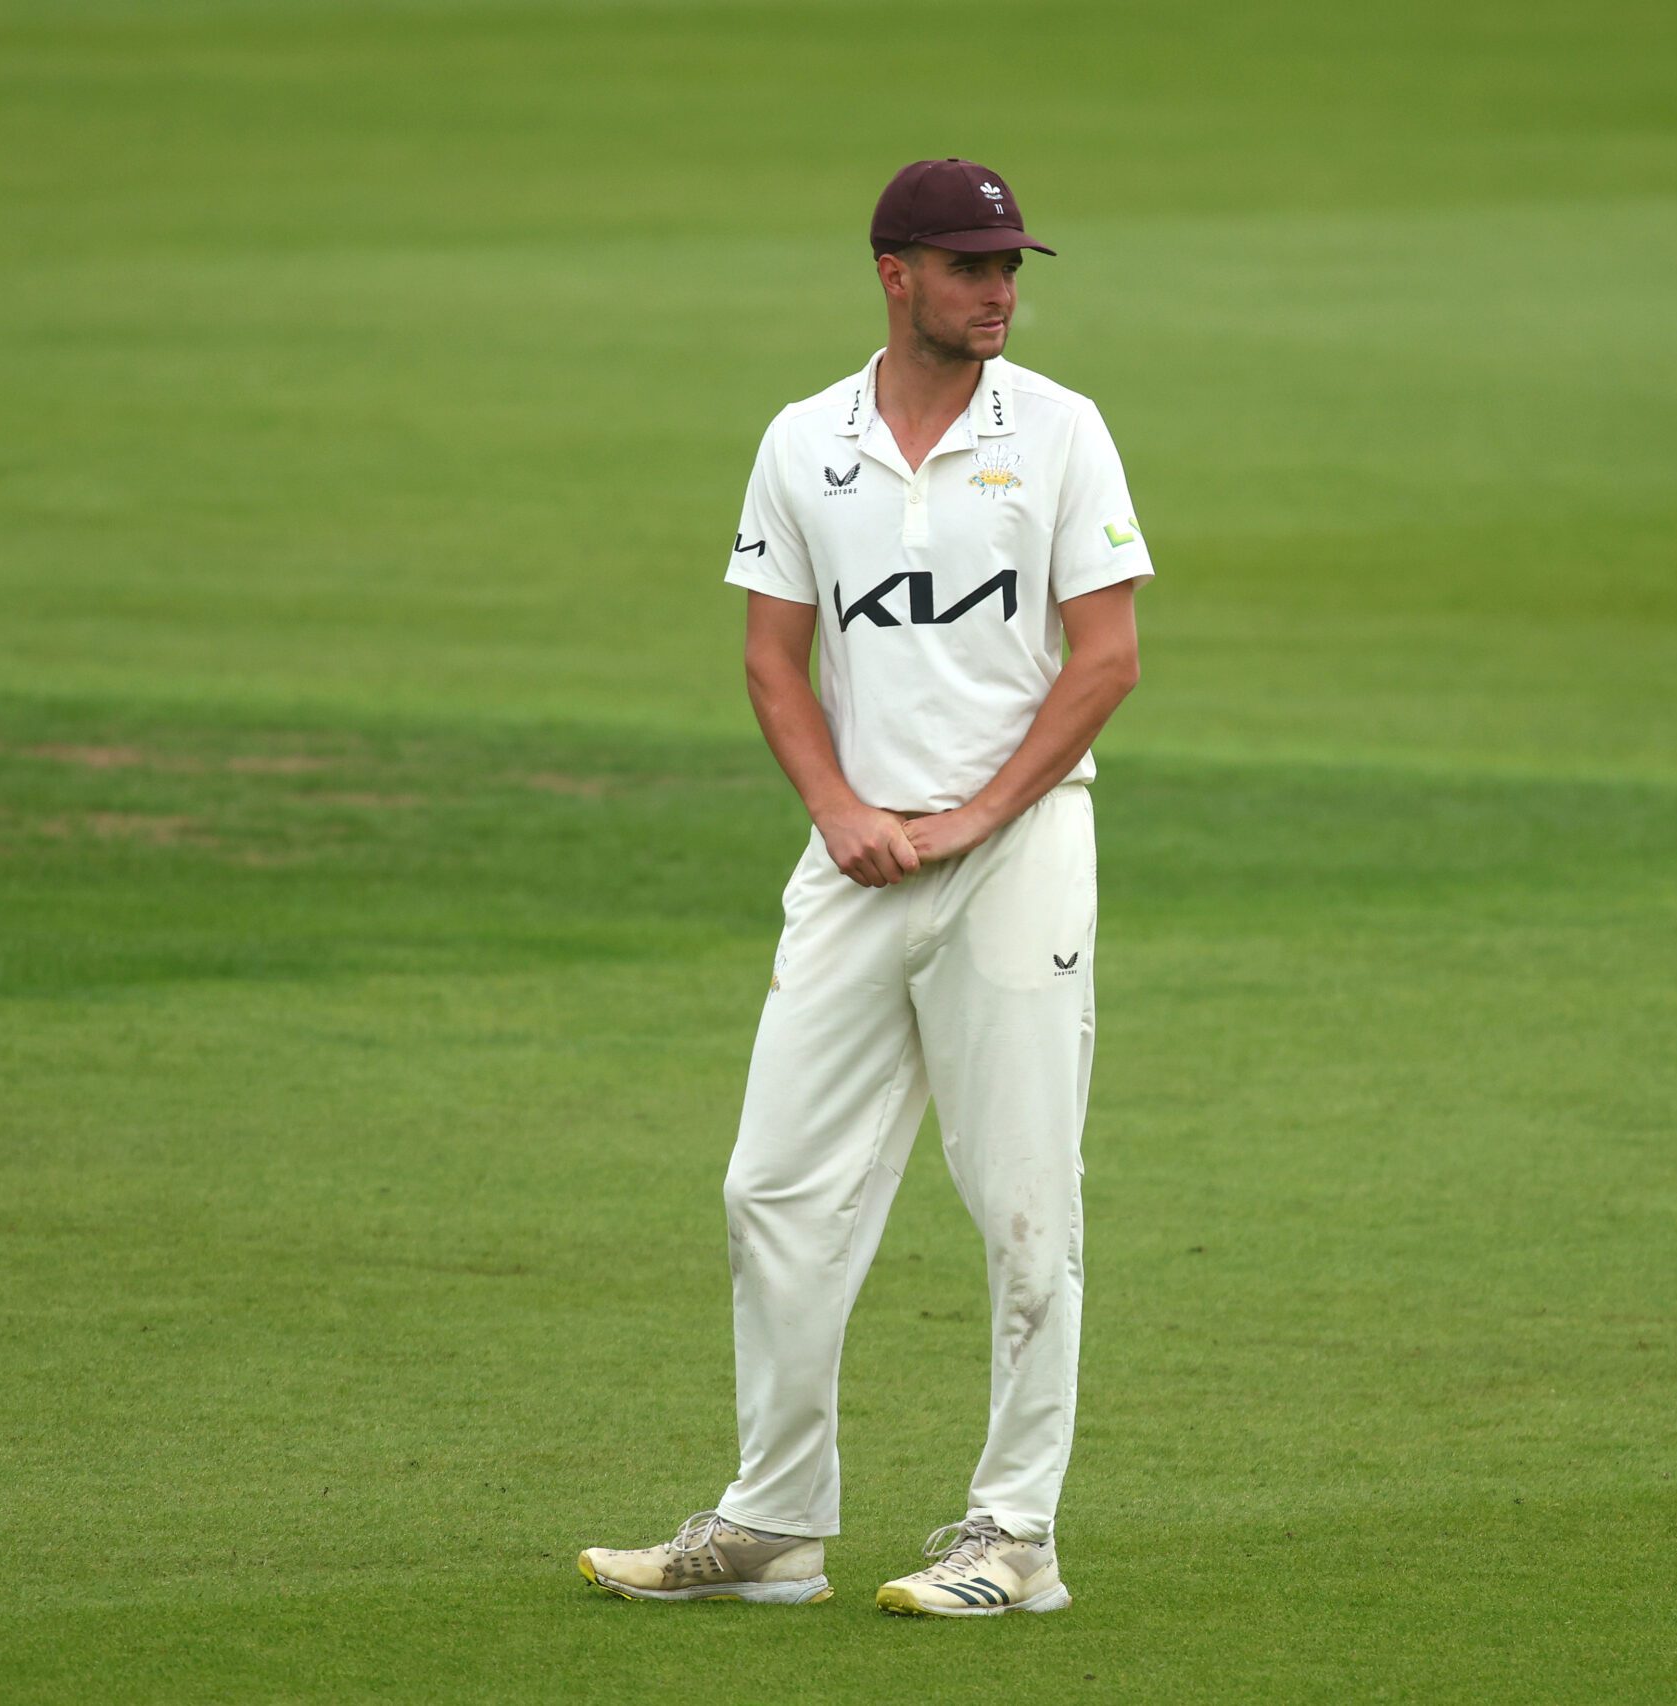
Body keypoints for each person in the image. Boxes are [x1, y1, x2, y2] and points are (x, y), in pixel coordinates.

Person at [577, 158, 1153, 1618]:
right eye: (971, 267)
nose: (1000, 291)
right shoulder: (802, 439)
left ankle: (1014, 1539)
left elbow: (1107, 658)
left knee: (1026, 1204)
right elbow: (775, 654)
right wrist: (837, 809)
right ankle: (775, 1525)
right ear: (894, 273)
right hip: (854, 865)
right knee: (774, 1185)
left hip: (1016, 855)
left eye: (1011, 266)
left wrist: (976, 815)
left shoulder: (1066, 433)